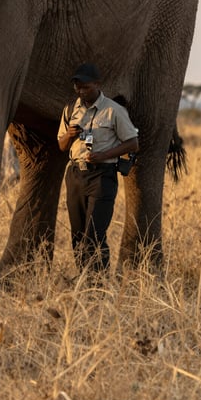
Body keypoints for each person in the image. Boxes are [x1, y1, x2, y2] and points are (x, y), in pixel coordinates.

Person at [57, 63, 139, 275]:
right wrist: (69, 135)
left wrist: (104, 155)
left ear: (97, 84)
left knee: (94, 234)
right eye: (77, 87)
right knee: (77, 234)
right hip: (75, 174)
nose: (81, 91)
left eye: (85, 86)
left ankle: (98, 282)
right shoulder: (70, 110)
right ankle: (84, 279)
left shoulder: (113, 110)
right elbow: (61, 146)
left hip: (102, 175)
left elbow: (132, 143)